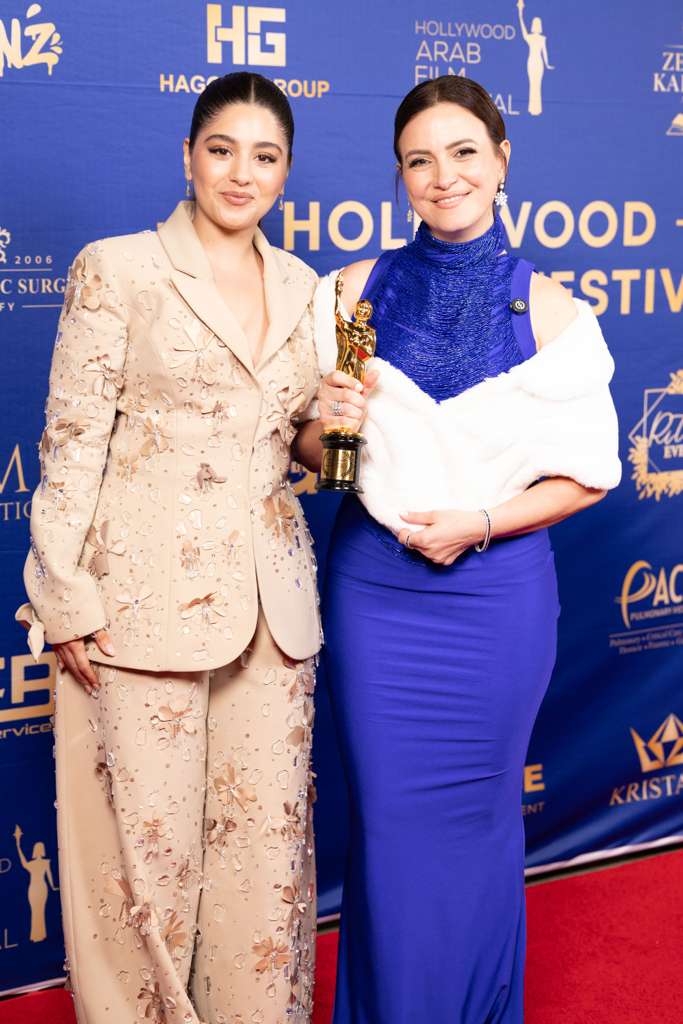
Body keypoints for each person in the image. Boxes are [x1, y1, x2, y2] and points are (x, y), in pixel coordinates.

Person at [294, 75, 621, 1023]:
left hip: (493, 598)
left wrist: (478, 523)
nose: (444, 177)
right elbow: (314, 455)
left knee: (478, 824)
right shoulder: (350, 294)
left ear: (501, 159)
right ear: (399, 176)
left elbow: (590, 476)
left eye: (464, 152)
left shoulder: (553, 313)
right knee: (391, 825)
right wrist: (328, 425)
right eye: (419, 160)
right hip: (376, 593)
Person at [17, 72, 321, 1024]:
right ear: (187, 157)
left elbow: (309, 447)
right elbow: (71, 442)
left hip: (273, 610)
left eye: (264, 156)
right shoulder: (117, 269)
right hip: (135, 604)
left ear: (286, 173)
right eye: (221, 150)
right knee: (141, 860)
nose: (241, 173)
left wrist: (350, 431)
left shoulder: (306, 288)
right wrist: (64, 596)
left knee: (264, 852)